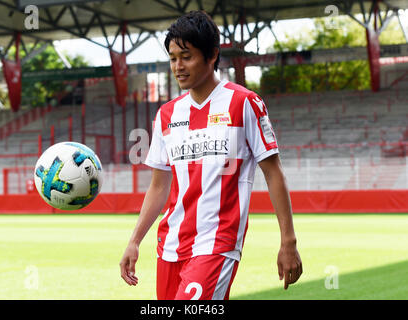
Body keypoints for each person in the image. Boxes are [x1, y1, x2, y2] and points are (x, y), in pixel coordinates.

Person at [119, 10, 302, 300]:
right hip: (170, 244)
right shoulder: (166, 115)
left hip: (218, 242)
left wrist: (288, 241)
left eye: (186, 57)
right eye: (172, 58)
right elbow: (159, 186)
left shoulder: (244, 103)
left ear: (212, 55)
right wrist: (135, 240)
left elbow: (273, 172)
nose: (178, 66)